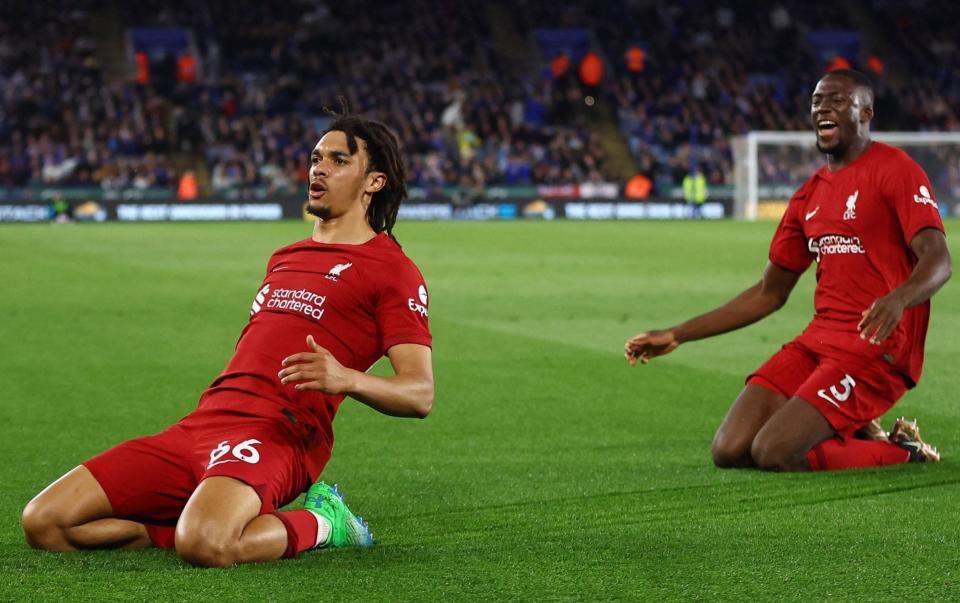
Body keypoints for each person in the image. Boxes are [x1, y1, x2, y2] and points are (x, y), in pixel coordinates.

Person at [21, 113, 435, 566]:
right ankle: (190, 520)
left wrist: (347, 379)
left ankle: (324, 522)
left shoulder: (392, 270)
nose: (319, 169)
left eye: (338, 160)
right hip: (201, 425)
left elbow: (419, 394)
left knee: (207, 545)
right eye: (316, 158)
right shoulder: (285, 257)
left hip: (278, 433)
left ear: (374, 181)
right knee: (45, 521)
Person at [624, 69, 951, 472]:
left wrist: (898, 299)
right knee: (729, 450)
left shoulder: (896, 170)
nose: (822, 109)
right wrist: (678, 334)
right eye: (816, 101)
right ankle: (855, 426)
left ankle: (905, 451)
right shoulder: (808, 196)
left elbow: (939, 259)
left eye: (836, 100)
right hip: (819, 343)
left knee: (774, 452)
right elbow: (768, 293)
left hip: (878, 346)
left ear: (865, 112)